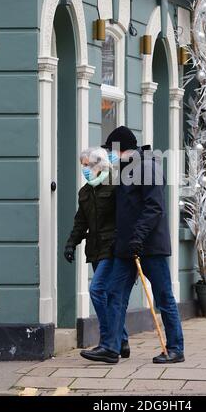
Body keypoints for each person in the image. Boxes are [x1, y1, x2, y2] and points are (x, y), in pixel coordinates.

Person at [80, 127, 184, 364]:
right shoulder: (124, 169)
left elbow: (154, 208)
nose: (109, 154)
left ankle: (176, 348)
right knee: (114, 294)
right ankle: (110, 347)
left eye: (112, 150)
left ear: (122, 148)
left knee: (164, 297)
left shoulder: (148, 168)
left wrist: (138, 237)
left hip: (151, 246)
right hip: (126, 247)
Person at [64, 146, 130, 361]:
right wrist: (71, 243)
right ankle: (121, 340)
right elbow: (80, 221)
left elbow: (124, 218)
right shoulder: (84, 192)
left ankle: (107, 341)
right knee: (106, 293)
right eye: (82, 165)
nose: (84, 169)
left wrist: (121, 244)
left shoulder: (113, 186)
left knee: (97, 289)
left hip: (111, 248)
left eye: (87, 165)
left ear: (98, 165)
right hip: (94, 248)